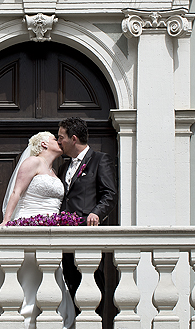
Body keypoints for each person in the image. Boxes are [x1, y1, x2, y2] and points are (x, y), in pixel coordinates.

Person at [0, 132, 76, 329]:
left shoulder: (55, 171)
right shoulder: (32, 162)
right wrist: (7, 221)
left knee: (48, 279)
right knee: (30, 279)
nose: (58, 140)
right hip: (30, 225)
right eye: (53, 138)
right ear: (43, 144)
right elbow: (17, 192)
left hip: (50, 234)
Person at [57, 117, 117, 307]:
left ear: (73, 138)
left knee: (91, 284)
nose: (58, 142)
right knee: (68, 283)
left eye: (61, 137)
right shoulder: (63, 167)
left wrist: (97, 213)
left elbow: (110, 193)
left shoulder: (100, 160)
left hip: (87, 233)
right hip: (63, 234)